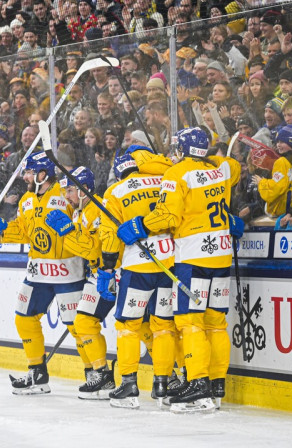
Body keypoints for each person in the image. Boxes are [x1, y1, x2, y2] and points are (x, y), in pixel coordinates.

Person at [116, 128, 242, 413]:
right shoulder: (222, 169)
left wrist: (140, 226)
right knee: (216, 323)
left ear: (183, 149)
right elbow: (233, 166)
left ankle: (198, 384)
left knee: (189, 322)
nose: (172, 152)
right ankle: (216, 383)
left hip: (193, 257)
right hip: (221, 255)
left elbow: (168, 216)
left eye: (176, 147)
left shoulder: (176, 175)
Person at [0, 152, 86, 394]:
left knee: (77, 325)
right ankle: (37, 373)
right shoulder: (26, 200)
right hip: (38, 270)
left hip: (66, 270)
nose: (25, 176)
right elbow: (24, 232)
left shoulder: (64, 194)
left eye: (30, 172)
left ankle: (96, 373)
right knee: (24, 318)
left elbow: (82, 219)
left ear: (43, 174)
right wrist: (2, 230)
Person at [99, 151, 176, 409]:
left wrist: (108, 268)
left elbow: (110, 238)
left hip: (137, 266)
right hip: (170, 262)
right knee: (163, 326)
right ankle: (163, 384)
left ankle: (130, 385)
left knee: (128, 326)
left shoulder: (115, 192)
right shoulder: (162, 179)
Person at [44, 166, 116, 400]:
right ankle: (101, 374)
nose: (67, 196)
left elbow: (94, 249)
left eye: (70, 190)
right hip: (98, 274)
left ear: (84, 190)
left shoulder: (97, 210)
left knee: (143, 326)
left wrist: (66, 233)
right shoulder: (80, 212)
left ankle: (172, 376)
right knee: (85, 323)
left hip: (112, 273)